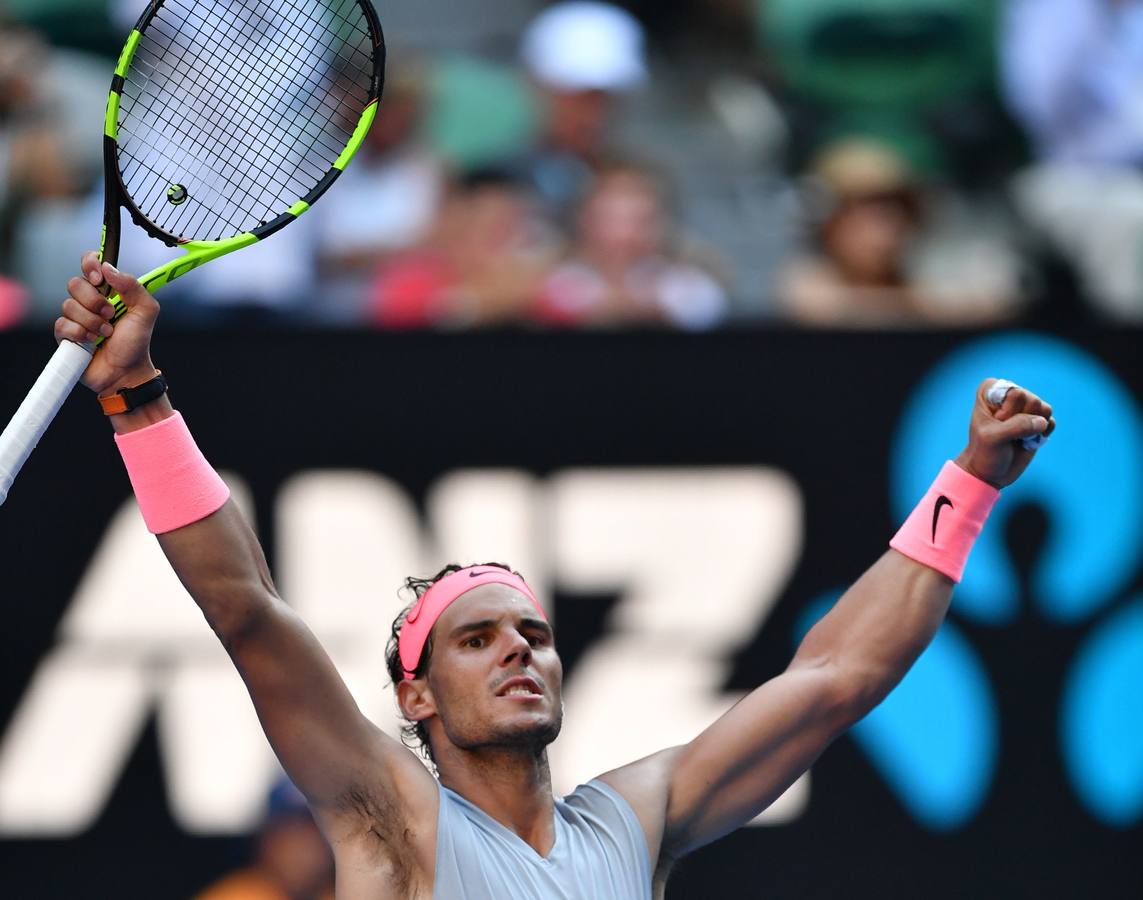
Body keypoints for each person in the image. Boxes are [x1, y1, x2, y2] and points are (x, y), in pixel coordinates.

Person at [56, 251, 1055, 898]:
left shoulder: (637, 819)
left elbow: (837, 678)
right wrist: (137, 396)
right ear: (416, 695)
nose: (517, 652)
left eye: (532, 635)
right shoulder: (390, 817)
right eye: (476, 639)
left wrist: (969, 483)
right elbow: (245, 610)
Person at [195, 777, 334, 900]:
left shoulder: (342, 893)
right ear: (266, 839)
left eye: (315, 833)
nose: (303, 849)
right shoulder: (232, 896)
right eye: (290, 834)